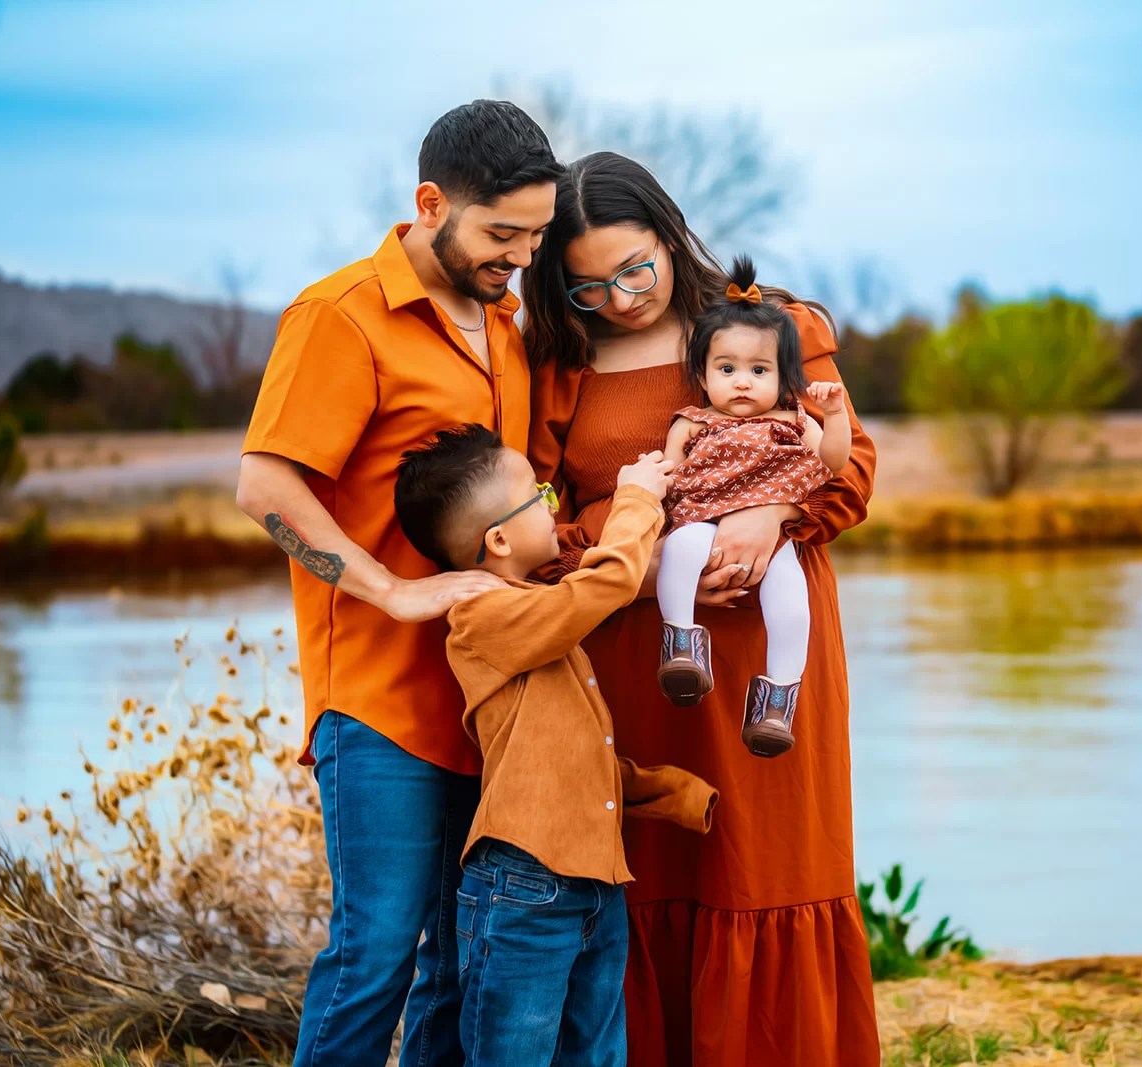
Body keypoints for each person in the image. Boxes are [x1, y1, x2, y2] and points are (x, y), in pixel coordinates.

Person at [521, 151, 880, 1067]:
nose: (620, 300)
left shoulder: (772, 325)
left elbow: (851, 469)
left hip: (767, 652)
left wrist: (774, 511)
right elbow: (534, 528)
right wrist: (636, 565)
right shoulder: (558, 364)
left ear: (670, 234)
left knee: (767, 869)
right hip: (639, 654)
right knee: (649, 876)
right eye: (589, 286)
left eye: (635, 269)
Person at [234, 100, 560, 1067]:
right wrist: (393, 590)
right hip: (379, 701)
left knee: (460, 960)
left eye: (536, 237)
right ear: (430, 204)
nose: (521, 258)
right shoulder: (340, 316)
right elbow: (264, 486)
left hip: (487, 695)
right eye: (502, 235)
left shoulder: (506, 325)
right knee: (374, 953)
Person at [393, 425, 717, 1067]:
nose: (553, 505)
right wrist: (637, 498)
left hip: (595, 883)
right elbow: (603, 586)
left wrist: (672, 791)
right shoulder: (483, 620)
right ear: (499, 540)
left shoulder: (536, 614)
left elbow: (568, 752)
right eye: (540, 496)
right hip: (523, 885)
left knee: (596, 1054)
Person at [656, 256, 852, 758]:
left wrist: (833, 415)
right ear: (703, 376)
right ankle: (682, 645)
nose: (742, 382)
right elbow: (668, 477)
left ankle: (777, 701)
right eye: (727, 369)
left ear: (784, 378)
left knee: (792, 604)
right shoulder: (692, 422)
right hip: (703, 519)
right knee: (679, 550)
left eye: (758, 370)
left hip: (775, 536)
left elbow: (834, 463)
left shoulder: (795, 421)